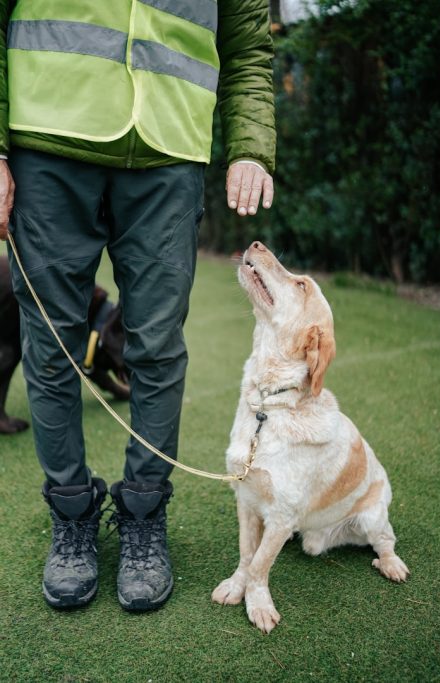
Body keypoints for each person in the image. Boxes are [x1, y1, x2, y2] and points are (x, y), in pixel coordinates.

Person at [0, 0, 275, 611]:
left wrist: (251, 145)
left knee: (156, 346)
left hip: (170, 152)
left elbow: (248, 45)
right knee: (50, 348)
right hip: (46, 141)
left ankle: (144, 515)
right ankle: (71, 514)